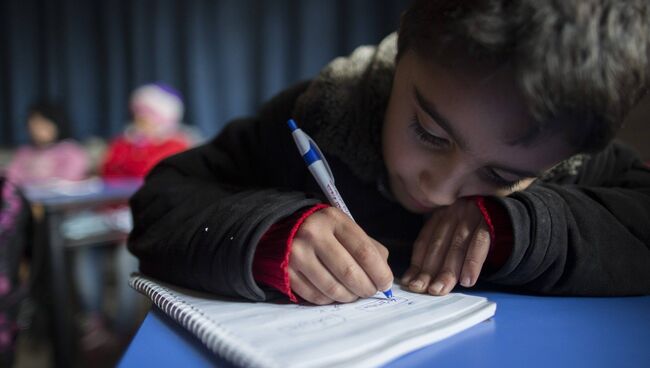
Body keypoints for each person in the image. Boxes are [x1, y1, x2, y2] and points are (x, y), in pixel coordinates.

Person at [127, 0, 650, 306]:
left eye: (500, 173)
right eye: (428, 132)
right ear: (402, 52)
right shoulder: (317, 113)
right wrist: (267, 235)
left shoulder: (572, 160)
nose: (438, 190)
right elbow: (162, 198)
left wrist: (524, 224)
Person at [100, 83, 190, 179]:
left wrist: (144, 146)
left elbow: (150, 172)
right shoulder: (123, 142)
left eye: (149, 113)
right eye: (139, 111)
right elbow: (108, 170)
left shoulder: (176, 144)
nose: (142, 117)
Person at [5, 102, 89, 185]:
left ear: (57, 124)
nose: (37, 129)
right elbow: (10, 178)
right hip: (26, 197)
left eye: (44, 124)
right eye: (34, 124)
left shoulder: (70, 151)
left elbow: (70, 179)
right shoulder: (24, 152)